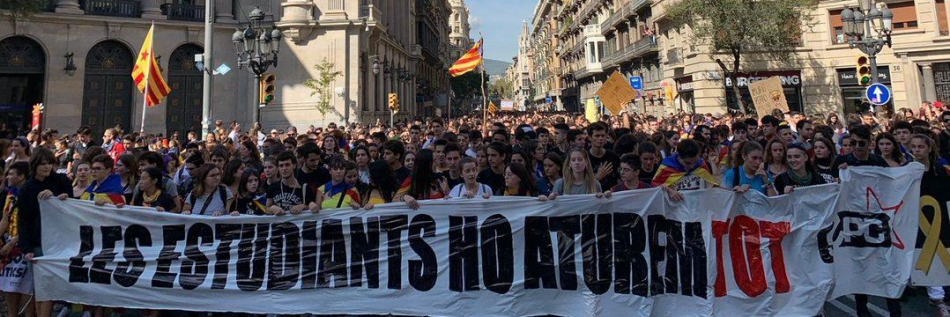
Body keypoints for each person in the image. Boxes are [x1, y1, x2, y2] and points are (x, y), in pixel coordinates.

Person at [18, 148, 72, 317]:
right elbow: (24, 220)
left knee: (51, 285)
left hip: (58, 241)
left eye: (49, 163)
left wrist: (58, 197)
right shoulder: (27, 188)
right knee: (40, 287)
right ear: (35, 165)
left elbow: (71, 204)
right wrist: (26, 248)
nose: (47, 167)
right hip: (37, 242)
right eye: (43, 164)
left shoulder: (61, 180)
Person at [0, 162, 34, 317]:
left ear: (21, 177)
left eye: (11, 174)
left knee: (27, 287)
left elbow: (33, 225)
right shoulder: (9, 194)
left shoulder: (30, 194)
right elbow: (5, 219)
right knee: (9, 286)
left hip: (26, 244)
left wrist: (13, 242)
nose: (7, 177)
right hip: (9, 245)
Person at [652, 139, 719, 191]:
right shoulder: (666, 167)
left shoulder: (701, 164)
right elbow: (655, 187)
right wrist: (668, 191)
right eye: (687, 163)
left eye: (695, 162)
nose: (692, 166)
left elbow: (712, 186)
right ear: (679, 156)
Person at [588, 122, 620, 190]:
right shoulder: (584, 157)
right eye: (597, 136)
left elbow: (619, 180)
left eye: (603, 136)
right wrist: (598, 177)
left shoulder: (614, 157)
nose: (600, 138)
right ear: (590, 137)